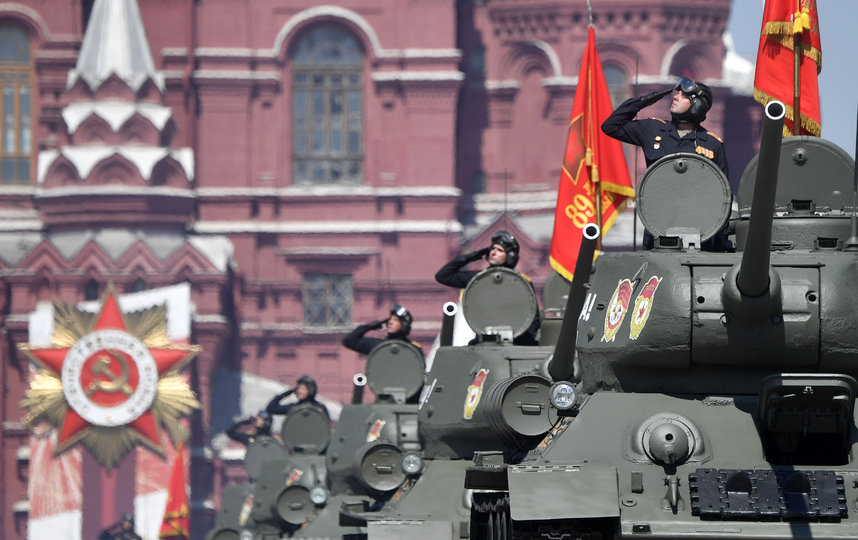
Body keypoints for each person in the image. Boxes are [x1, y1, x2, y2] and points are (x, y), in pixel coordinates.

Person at [601, 76, 732, 251]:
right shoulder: (654, 130)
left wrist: (721, 243)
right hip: (657, 230)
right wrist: (643, 101)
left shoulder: (712, 144)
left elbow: (723, 195)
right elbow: (611, 126)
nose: (676, 96)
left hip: (699, 234)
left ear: (697, 105)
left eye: (684, 95)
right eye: (677, 93)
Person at [435, 230, 539, 345]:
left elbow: (532, 316)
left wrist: (527, 343)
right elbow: (443, 276)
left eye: (499, 250)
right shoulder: (478, 279)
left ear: (510, 256)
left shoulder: (521, 282)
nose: (493, 252)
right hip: (484, 341)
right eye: (492, 249)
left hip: (517, 340)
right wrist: (472, 256)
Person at [342, 304, 419, 356]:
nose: (390, 322)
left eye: (395, 320)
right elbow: (349, 341)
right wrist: (370, 326)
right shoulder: (378, 345)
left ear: (404, 326)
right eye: (389, 319)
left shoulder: (413, 349)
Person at [265, 374, 330, 419]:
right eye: (298, 389)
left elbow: (326, 427)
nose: (299, 391)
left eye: (303, 389)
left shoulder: (320, 408)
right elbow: (270, 408)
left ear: (311, 391)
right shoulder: (293, 408)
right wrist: (288, 392)